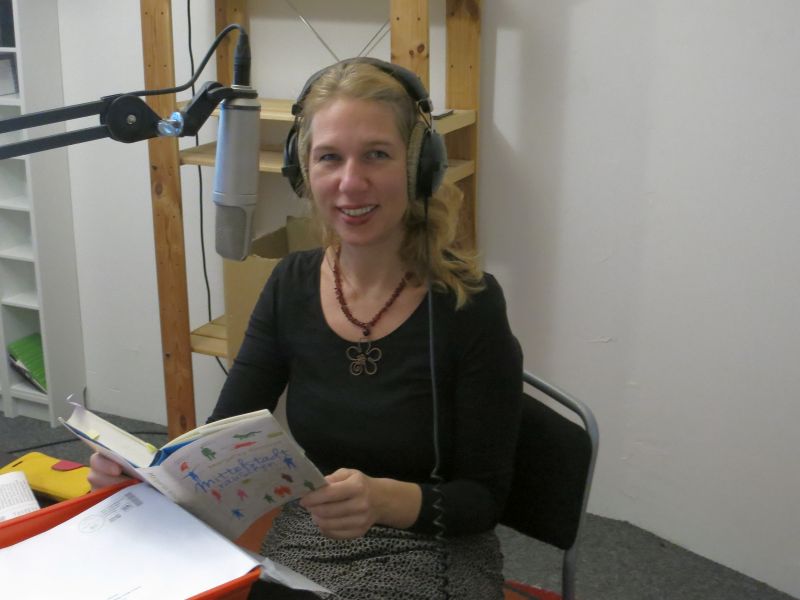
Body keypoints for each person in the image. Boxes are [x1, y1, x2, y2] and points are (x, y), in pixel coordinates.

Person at [89, 58, 523, 599]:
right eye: (329, 158)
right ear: (303, 170)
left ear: (419, 165)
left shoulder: (469, 305)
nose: (351, 182)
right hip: (315, 533)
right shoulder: (291, 283)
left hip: (436, 545)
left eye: (377, 154)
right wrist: (149, 478)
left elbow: (483, 501)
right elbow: (224, 439)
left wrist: (384, 500)